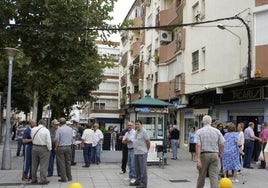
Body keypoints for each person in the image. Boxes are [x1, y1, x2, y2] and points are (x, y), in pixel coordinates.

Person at [195, 115, 225, 188]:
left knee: (201, 175)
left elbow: (198, 145)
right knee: (214, 176)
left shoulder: (199, 131)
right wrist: (220, 153)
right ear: (211, 122)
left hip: (204, 155)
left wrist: (198, 159)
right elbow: (222, 144)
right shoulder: (217, 131)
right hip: (215, 154)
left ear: (202, 122)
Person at [130, 119, 150, 188]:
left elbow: (148, 142)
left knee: (143, 169)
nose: (137, 125)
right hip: (136, 152)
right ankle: (138, 181)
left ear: (141, 125)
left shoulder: (144, 131)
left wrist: (146, 150)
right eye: (136, 124)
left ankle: (144, 184)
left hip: (142, 153)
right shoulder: (136, 131)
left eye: (138, 124)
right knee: (137, 168)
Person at [30, 119, 51, 185]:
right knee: (43, 165)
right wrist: (49, 148)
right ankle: (43, 180)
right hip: (43, 148)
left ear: (38, 123)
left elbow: (31, 136)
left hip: (34, 147)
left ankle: (33, 179)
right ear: (44, 124)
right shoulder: (46, 130)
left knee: (34, 164)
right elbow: (48, 141)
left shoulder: (33, 129)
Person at [55, 117, 74, 182]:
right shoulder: (70, 129)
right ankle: (69, 177)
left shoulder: (59, 130)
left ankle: (63, 178)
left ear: (59, 123)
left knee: (62, 163)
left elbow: (57, 140)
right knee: (68, 162)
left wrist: (56, 147)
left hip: (61, 147)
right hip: (68, 147)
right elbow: (72, 138)